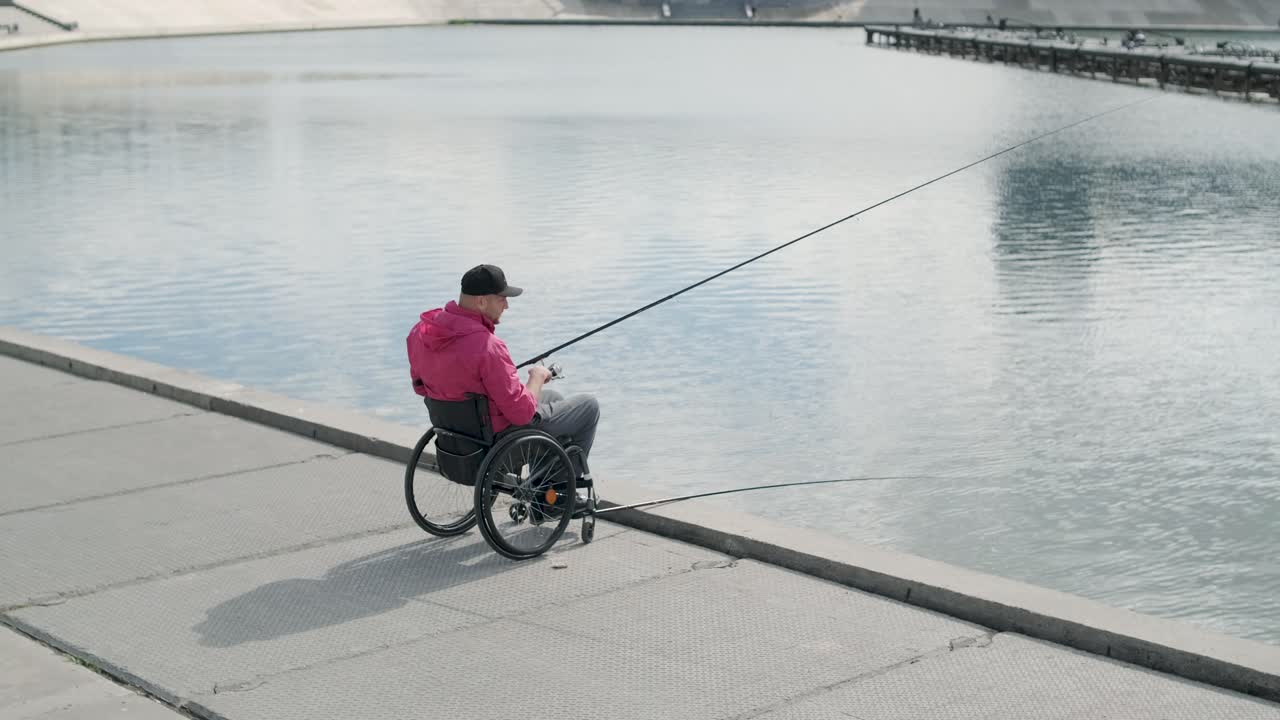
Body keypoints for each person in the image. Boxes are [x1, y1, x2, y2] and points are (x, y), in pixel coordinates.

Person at [406, 264, 601, 480]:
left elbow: (421, 387)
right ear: (481, 301)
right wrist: (537, 376)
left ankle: (547, 490)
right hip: (497, 446)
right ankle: (556, 498)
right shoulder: (487, 346)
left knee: (553, 398)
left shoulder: (420, 334)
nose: (507, 305)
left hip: (457, 441)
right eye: (502, 298)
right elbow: (522, 413)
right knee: (588, 406)